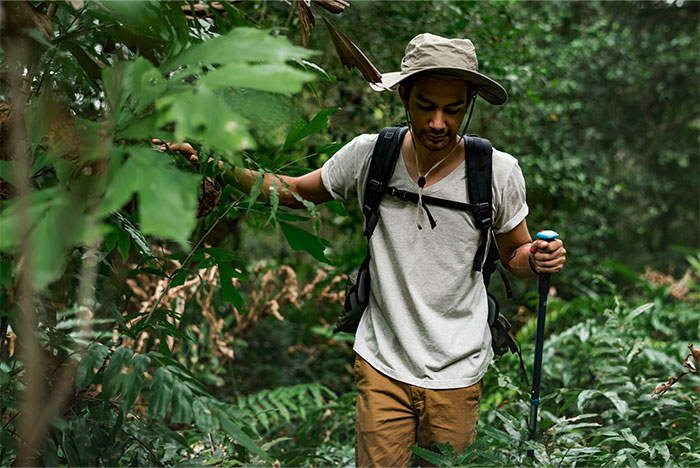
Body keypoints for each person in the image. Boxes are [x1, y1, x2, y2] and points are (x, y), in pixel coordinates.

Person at [158, 33, 566, 467]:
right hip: (382, 362)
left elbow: (514, 256)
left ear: (469, 105)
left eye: (453, 109)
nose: (438, 123)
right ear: (404, 95)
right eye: (426, 106)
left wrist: (538, 259)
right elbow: (293, 192)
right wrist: (216, 166)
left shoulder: (496, 172)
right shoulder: (370, 156)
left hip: (457, 368)